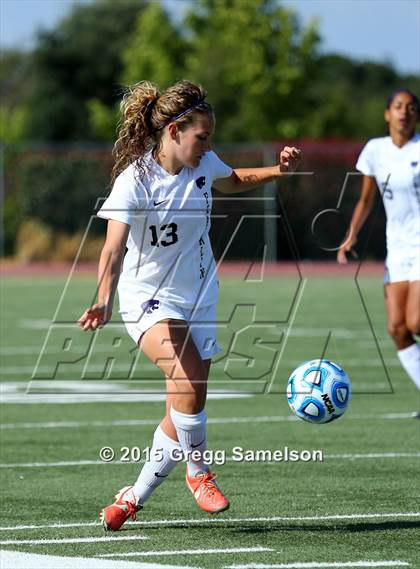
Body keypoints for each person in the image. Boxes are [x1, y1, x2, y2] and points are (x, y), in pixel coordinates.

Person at [78, 80, 302, 531]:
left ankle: (133, 496)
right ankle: (199, 473)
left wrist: (277, 171)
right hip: (147, 299)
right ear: (176, 131)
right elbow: (111, 250)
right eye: (202, 138)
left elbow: (233, 179)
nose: (208, 147)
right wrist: (102, 299)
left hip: (199, 296)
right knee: (190, 377)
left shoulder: (203, 165)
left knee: (184, 401)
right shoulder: (134, 181)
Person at [338, 89, 420, 395]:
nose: (404, 112)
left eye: (411, 107)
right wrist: (351, 233)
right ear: (387, 113)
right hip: (398, 248)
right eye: (398, 106)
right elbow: (365, 199)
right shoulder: (375, 150)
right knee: (398, 329)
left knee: (416, 321)